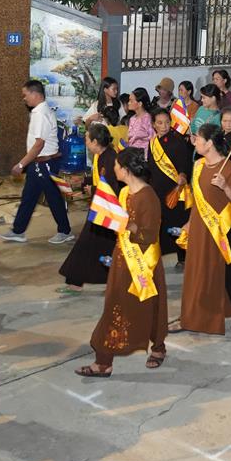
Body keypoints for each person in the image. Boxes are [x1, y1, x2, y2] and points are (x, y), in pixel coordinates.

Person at [78, 149, 169, 378]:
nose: (114, 169)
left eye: (117, 166)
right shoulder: (125, 192)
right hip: (123, 259)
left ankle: (158, 347)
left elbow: (149, 235)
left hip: (144, 263)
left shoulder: (148, 197)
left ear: (126, 170)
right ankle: (103, 361)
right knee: (114, 307)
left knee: (151, 305)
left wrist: (131, 226)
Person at [169, 124, 231, 334]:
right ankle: (190, 317)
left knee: (229, 271)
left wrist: (225, 187)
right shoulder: (198, 165)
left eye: (197, 138)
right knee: (196, 272)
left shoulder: (229, 168)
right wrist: (190, 222)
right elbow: (198, 200)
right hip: (200, 227)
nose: (194, 141)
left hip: (220, 229)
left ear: (210, 143)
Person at [2, 79, 74, 246]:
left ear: (35, 94)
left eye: (25, 95)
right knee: (29, 196)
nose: (24, 98)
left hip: (45, 163)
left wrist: (21, 164)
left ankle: (65, 231)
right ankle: (18, 231)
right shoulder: (40, 111)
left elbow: (39, 144)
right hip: (38, 163)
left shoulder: (41, 113)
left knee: (53, 197)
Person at [58, 124, 120, 293]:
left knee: (86, 244)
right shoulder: (100, 156)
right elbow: (99, 179)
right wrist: (83, 182)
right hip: (99, 207)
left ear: (95, 142)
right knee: (101, 247)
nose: (85, 142)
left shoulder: (111, 158)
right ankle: (82, 282)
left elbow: (113, 187)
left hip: (106, 210)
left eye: (87, 139)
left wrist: (92, 189)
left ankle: (76, 282)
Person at [145, 107, 192, 270]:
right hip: (158, 189)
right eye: (160, 123)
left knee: (178, 222)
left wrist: (183, 175)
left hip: (175, 189)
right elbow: (150, 166)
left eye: (166, 122)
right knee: (161, 223)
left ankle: (184, 257)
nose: (164, 126)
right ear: (153, 124)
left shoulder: (177, 141)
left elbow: (185, 163)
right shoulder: (152, 143)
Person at [125, 88, 153, 152]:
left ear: (140, 103)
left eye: (131, 101)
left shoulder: (148, 118)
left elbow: (152, 138)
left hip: (144, 153)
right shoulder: (132, 118)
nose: (128, 103)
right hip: (132, 153)